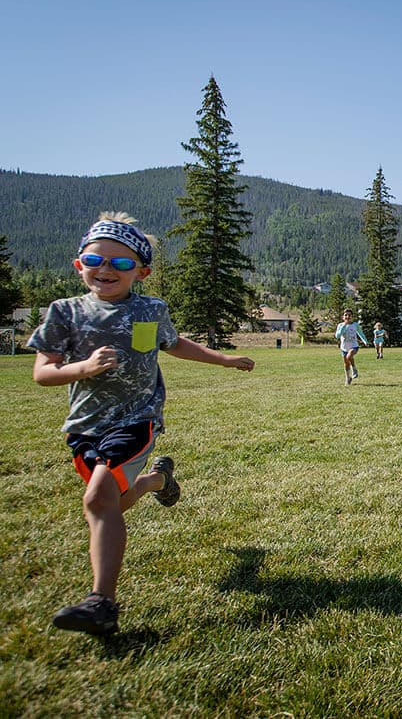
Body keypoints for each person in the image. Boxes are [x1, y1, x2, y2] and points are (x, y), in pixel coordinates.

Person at [28, 213, 255, 636]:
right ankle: (155, 482)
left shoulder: (150, 309)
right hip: (85, 426)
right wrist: (83, 368)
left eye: (122, 263)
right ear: (79, 264)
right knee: (114, 502)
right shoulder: (64, 312)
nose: (106, 269)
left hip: (137, 418)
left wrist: (224, 358)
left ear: (142, 271)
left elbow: (173, 344)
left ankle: (101, 603)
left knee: (98, 499)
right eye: (95, 259)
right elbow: (43, 372)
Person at [335, 309, 369, 384]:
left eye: (349, 315)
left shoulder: (355, 325)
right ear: (343, 317)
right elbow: (337, 336)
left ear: (352, 317)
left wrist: (365, 341)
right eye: (346, 315)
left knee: (349, 356)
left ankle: (354, 369)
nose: (347, 316)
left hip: (354, 346)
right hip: (344, 347)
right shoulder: (340, 325)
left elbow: (360, 333)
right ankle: (348, 378)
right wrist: (344, 326)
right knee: (346, 363)